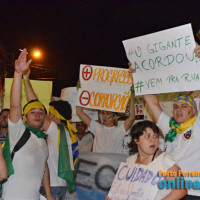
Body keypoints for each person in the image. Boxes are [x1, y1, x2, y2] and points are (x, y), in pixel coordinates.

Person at [128, 43, 200, 199]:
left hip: (194, 192)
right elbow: (152, 103)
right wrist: (138, 76)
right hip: (170, 192)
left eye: (183, 106)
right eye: (175, 106)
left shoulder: (198, 125)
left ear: (193, 111)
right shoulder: (170, 127)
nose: (178, 109)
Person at [2, 49, 54, 200]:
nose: (37, 115)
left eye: (41, 112)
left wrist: (49, 194)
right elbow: (15, 106)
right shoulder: (18, 132)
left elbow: (44, 168)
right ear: (24, 117)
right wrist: (18, 74)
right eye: (33, 112)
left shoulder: (44, 141)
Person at [23, 69, 78, 199]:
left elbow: (34, 103)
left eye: (49, 113)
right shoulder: (68, 132)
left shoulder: (56, 131)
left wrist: (26, 80)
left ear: (55, 116)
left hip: (52, 187)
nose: (45, 116)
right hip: (58, 185)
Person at [107, 121, 187, 200]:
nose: (153, 140)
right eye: (148, 136)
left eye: (155, 136)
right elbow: (124, 191)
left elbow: (181, 190)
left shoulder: (164, 159)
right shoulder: (130, 161)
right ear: (136, 140)